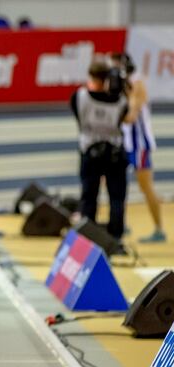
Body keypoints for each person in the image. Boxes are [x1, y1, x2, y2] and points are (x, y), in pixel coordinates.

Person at [71, 59, 139, 241]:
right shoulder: (120, 101)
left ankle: (86, 238)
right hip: (114, 153)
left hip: (89, 150)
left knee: (88, 197)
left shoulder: (79, 97)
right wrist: (127, 93)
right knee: (116, 198)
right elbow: (128, 118)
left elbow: (79, 115)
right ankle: (115, 239)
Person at [112, 53, 166, 242]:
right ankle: (120, 223)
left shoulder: (137, 84)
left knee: (146, 186)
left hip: (139, 144)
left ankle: (159, 229)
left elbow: (131, 117)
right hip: (124, 143)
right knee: (114, 183)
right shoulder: (121, 86)